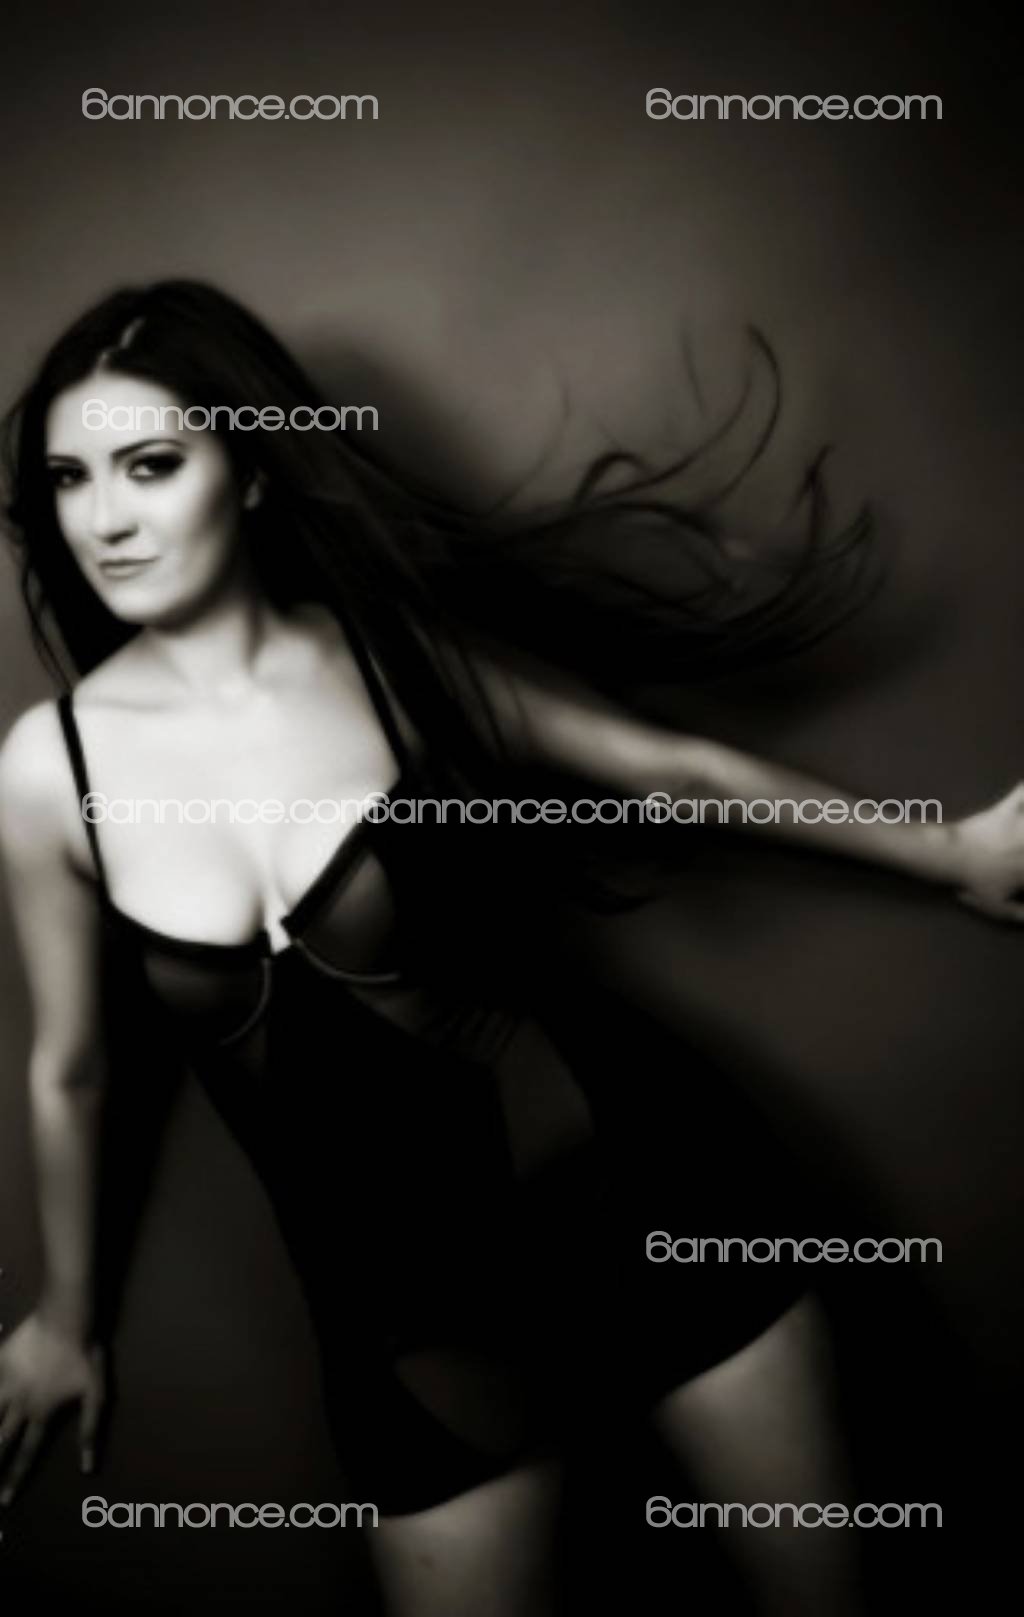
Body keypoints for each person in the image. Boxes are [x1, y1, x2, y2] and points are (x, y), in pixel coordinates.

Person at [0, 281, 1021, 1617]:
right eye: (69, 479)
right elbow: (70, 1065)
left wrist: (954, 852)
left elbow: (667, 770)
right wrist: (67, 1315)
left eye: (150, 465)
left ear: (247, 472)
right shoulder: (51, 770)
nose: (104, 519)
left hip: (651, 1196)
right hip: (410, 1328)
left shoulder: (388, 661)